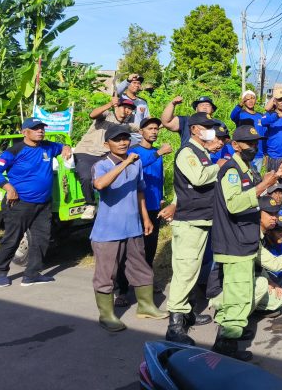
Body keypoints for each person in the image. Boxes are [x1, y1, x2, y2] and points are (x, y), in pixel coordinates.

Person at [210, 124, 279, 360]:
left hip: (245, 241)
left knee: (240, 293)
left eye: (255, 143)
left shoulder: (247, 169)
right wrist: (263, 186)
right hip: (235, 242)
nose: (253, 147)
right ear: (235, 145)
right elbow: (234, 204)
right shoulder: (232, 170)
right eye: (248, 143)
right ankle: (227, 346)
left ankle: (227, 336)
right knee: (238, 296)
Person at [90, 125, 168, 331]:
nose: (123, 142)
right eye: (117, 139)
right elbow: (100, 185)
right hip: (108, 231)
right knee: (106, 274)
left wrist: (146, 218)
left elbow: (140, 191)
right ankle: (106, 315)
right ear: (106, 144)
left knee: (141, 268)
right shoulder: (101, 165)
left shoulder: (137, 163)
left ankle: (146, 306)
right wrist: (124, 163)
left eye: (125, 138)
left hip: (133, 227)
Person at [165, 112, 220, 345]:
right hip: (189, 221)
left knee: (194, 269)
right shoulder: (187, 152)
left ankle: (187, 313)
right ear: (195, 129)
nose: (211, 130)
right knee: (185, 271)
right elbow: (198, 178)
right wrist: (219, 166)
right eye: (206, 126)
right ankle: (175, 325)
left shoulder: (202, 152)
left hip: (201, 218)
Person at [0, 118, 71, 287]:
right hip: (19, 203)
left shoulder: (48, 146)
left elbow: (61, 147)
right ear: (25, 132)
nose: (40, 131)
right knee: (12, 239)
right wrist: (8, 187)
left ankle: (32, 274)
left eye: (42, 128)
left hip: (43, 203)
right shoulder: (14, 150)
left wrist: (66, 147)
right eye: (36, 128)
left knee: (41, 239)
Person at [115, 118, 172, 304]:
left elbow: (159, 177)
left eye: (156, 128)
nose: (154, 132)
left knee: (150, 248)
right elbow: (136, 165)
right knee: (128, 250)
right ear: (141, 132)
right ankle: (122, 290)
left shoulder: (157, 154)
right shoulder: (133, 152)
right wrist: (158, 153)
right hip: (136, 207)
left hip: (154, 206)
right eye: (150, 128)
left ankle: (146, 282)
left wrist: (161, 196)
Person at [74, 96, 139, 219]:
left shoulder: (126, 126)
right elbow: (92, 115)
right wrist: (109, 104)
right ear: (117, 107)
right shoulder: (107, 115)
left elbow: (142, 128)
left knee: (122, 172)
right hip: (87, 152)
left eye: (130, 109)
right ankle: (90, 204)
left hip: (105, 155)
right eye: (125, 107)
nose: (127, 111)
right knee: (86, 176)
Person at [115, 73, 150, 145]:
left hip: (139, 137)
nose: (137, 85)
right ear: (128, 85)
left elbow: (147, 119)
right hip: (123, 135)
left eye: (139, 83)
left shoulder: (143, 102)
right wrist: (127, 80)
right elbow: (116, 92)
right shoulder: (121, 98)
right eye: (134, 83)